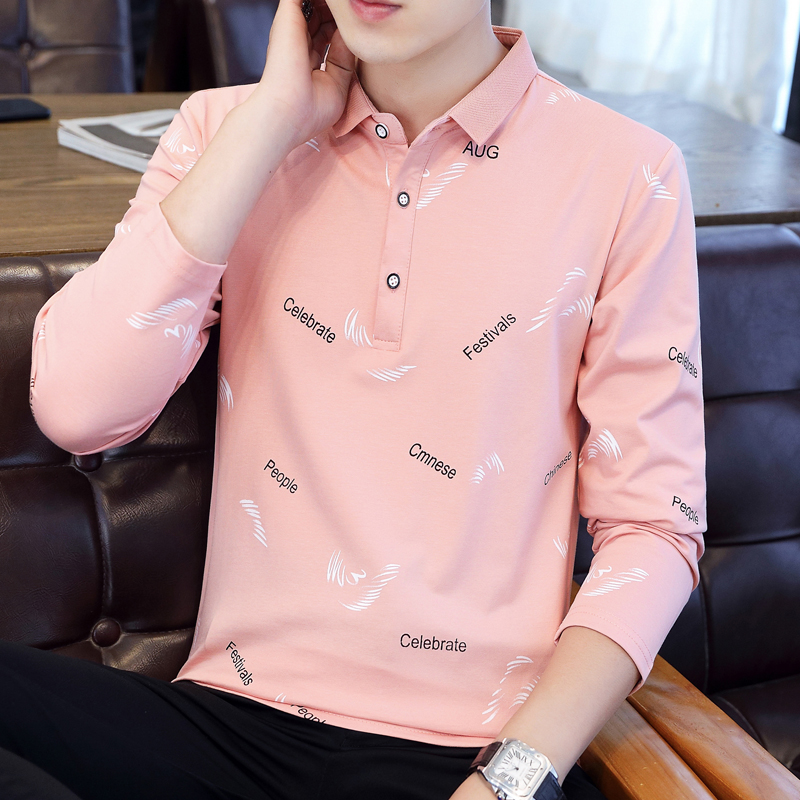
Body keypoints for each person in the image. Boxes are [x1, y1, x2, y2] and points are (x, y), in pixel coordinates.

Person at [9, 0, 707, 798]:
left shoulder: (628, 171)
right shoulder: (228, 129)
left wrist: (511, 780)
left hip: (463, 758)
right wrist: (272, 119)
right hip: (231, 725)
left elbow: (654, 527)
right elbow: (78, 407)